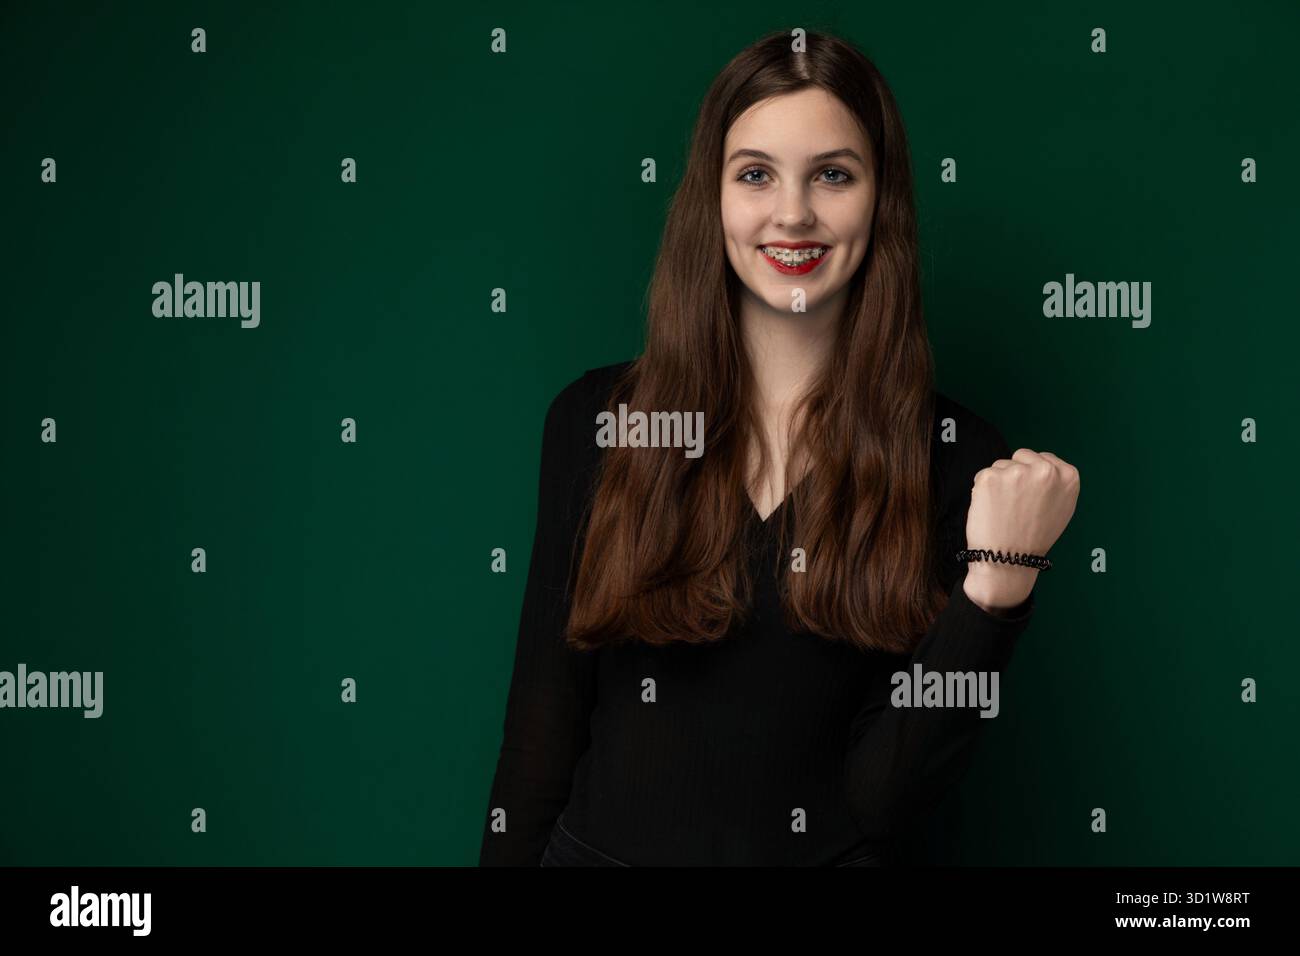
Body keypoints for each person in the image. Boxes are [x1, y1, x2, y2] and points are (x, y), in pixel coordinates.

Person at [479, 29, 1079, 866]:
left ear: (882, 200)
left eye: (833, 174)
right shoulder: (597, 421)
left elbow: (887, 797)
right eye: (755, 173)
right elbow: (539, 736)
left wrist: (999, 588)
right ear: (712, 199)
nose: (792, 212)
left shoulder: (955, 455)